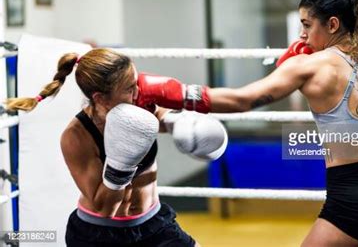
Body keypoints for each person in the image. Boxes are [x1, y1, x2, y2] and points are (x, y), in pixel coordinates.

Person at [134, 0, 358, 246]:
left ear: (333, 24)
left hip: (354, 195)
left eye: (307, 25)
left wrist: (172, 93)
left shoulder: (311, 66)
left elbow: (241, 100)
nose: (302, 34)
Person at [6, 48, 228, 247]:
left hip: (152, 224)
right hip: (99, 234)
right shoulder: (75, 137)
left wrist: (183, 123)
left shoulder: (140, 106)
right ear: (101, 98)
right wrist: (121, 164)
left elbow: (167, 116)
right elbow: (105, 209)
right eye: (130, 88)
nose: (139, 93)